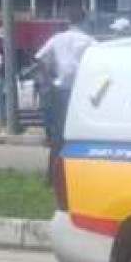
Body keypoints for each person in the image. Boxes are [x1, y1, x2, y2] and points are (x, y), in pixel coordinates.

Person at [34, 11, 96, 181]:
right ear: (84, 21)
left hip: (59, 90)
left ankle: (52, 175)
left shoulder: (57, 38)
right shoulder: (89, 41)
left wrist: (50, 78)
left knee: (58, 135)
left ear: (68, 21)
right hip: (79, 91)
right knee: (81, 134)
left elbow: (39, 57)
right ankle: (78, 174)